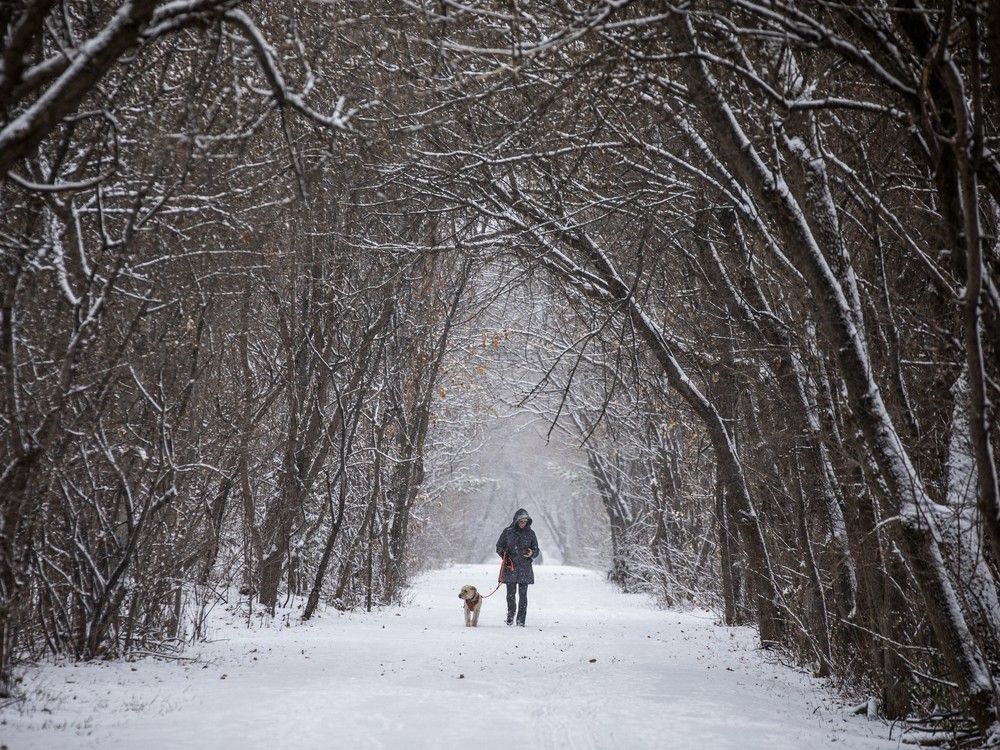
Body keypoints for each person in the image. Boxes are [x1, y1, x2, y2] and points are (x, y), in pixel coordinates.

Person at [495, 508, 540, 627]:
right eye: (521, 521)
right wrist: (504, 555)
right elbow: (499, 546)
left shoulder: (531, 533)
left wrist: (532, 553)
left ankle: (521, 620)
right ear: (516, 520)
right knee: (510, 595)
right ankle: (510, 615)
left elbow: (536, 550)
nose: (523, 523)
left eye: (525, 521)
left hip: (525, 568)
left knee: (523, 596)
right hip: (510, 567)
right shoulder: (507, 532)